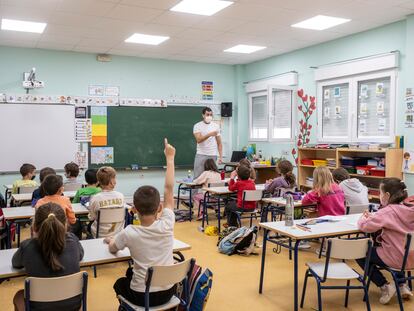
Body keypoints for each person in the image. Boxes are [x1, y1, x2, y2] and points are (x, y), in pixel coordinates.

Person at [105, 139, 177, 308]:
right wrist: (170, 159)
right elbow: (169, 189)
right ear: (159, 208)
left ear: (134, 209)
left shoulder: (129, 232)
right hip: (169, 291)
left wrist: (111, 240)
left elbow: (113, 248)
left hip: (141, 295)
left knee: (120, 282)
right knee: (131, 272)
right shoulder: (167, 223)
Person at [12, 203, 84, 311]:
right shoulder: (73, 240)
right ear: (65, 224)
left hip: (38, 308)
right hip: (73, 306)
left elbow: (16, 263)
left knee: (19, 295)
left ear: (34, 226)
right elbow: (80, 255)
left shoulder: (27, 246)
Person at [357, 178, 414, 305]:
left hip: (396, 258)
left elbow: (365, 226)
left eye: (380, 193)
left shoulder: (386, 212)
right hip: (411, 256)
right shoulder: (410, 208)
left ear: (387, 195)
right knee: (400, 248)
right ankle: (401, 284)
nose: (379, 195)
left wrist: (363, 217)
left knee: (360, 253)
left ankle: (384, 286)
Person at [88, 166, 124, 238]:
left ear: (99, 181)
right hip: (117, 234)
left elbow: (92, 217)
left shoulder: (95, 198)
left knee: (89, 226)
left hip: (99, 234)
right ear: (111, 181)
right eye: (114, 178)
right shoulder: (121, 196)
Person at [193, 107, 223, 179]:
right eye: (207, 114)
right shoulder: (197, 126)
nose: (209, 116)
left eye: (211, 115)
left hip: (212, 155)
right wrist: (209, 134)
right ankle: (197, 191)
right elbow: (199, 140)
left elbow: (219, 143)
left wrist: (220, 157)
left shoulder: (216, 126)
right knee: (198, 177)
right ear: (203, 115)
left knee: (212, 177)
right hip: (201, 154)